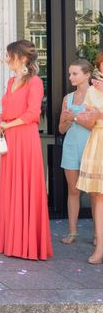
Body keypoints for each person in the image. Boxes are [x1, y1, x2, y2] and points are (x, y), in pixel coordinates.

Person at [0, 39, 52, 261]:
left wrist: (8, 124)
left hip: (25, 139)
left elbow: (33, 114)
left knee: (25, 187)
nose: (7, 59)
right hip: (9, 138)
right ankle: (13, 242)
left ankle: (27, 244)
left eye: (10, 55)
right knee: (11, 188)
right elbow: (6, 108)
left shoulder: (35, 82)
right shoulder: (10, 82)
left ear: (22, 58)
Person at [58, 59, 93, 244]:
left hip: (91, 148)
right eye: (70, 73)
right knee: (73, 190)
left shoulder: (96, 96)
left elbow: (95, 125)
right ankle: (72, 232)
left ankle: (98, 235)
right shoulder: (67, 98)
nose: (71, 77)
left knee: (95, 194)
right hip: (71, 147)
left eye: (75, 74)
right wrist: (68, 120)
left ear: (87, 75)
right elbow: (61, 129)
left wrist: (76, 117)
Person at [76, 51, 103, 264]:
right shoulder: (93, 91)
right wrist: (84, 117)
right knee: (98, 196)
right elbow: (89, 122)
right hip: (98, 142)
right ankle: (100, 247)